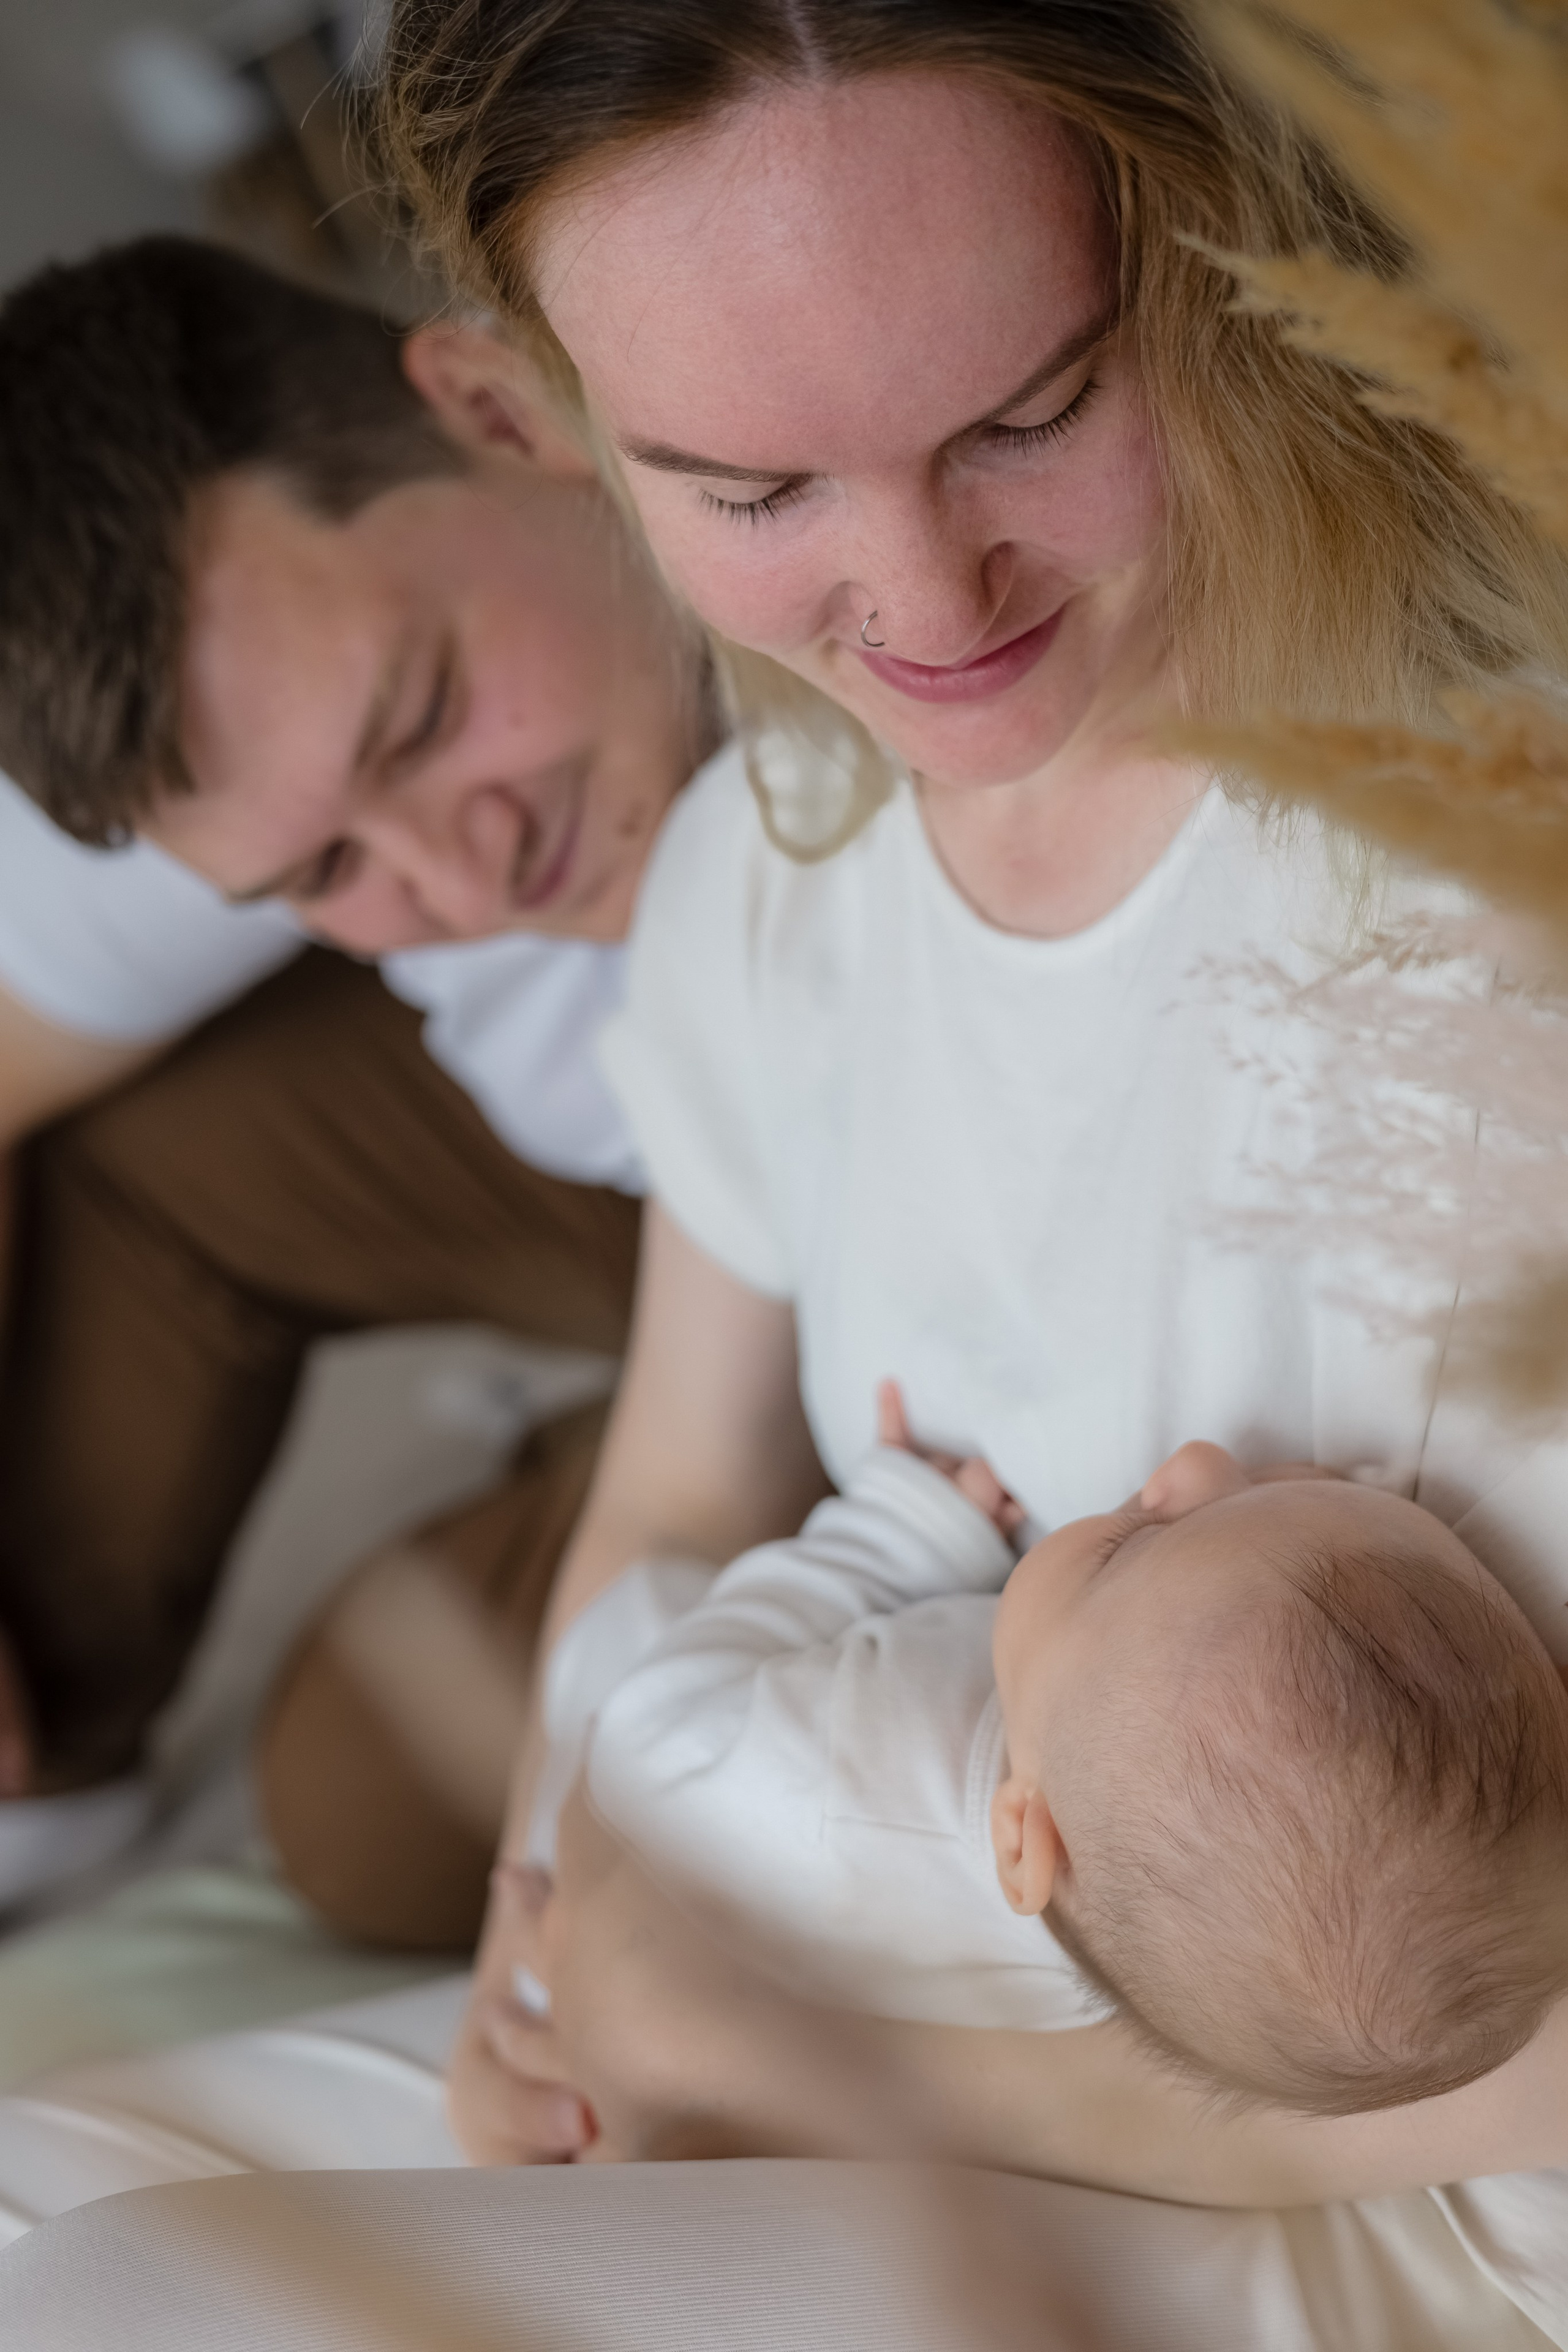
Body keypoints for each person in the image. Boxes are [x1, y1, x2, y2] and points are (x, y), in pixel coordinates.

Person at [371, 0, 1568, 2248]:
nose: (930, 608)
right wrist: (542, 1961)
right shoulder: (762, 877)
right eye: (754, 492)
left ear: (1209, 245)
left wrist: (794, 2059)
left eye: (1033, 415)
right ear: (550, 422)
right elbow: (678, 1488)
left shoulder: (1510, 838)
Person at [0, 234, 711, 1943]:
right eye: (324, 868)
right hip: (664, 1208)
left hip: (922, 1261)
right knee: (118, 1141)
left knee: (369, 1806)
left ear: (501, 409)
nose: (467, 878)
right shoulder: (231, 724)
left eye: (425, 716)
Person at [583, 1411, 1568, 2114]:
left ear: (1024, 1839)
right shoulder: (1166, 1935)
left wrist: (899, 1534)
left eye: (1130, 1545)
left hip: (652, 1750)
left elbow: (644, 1737)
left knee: (621, 1627)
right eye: (1285, 1494)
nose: (1198, 1462)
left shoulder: (831, 1779)